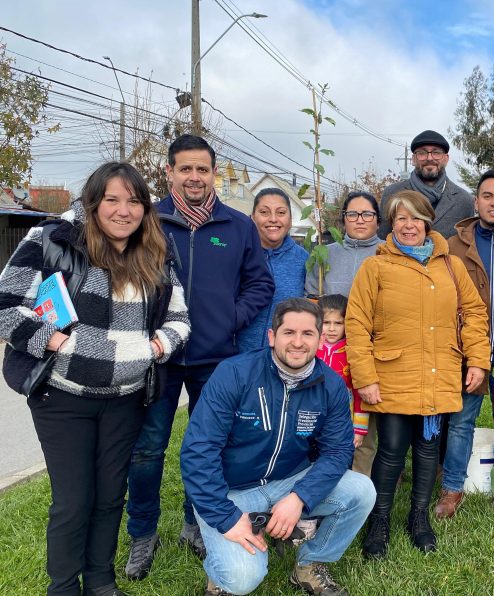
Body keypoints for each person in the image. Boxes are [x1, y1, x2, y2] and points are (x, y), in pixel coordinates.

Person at [0, 162, 191, 596]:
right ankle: (64, 587)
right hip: (63, 397)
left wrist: (156, 348)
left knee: (110, 498)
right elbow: (6, 307)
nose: (124, 211)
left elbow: (179, 319)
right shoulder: (49, 241)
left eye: (135, 201)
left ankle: (101, 583)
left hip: (126, 398)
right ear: (93, 202)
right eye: (112, 199)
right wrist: (58, 345)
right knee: (73, 502)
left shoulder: (155, 253)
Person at [126, 134, 274, 580]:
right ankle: (142, 533)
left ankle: (198, 522)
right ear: (169, 172)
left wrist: (231, 317)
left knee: (208, 447)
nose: (194, 177)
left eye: (202, 169)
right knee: (148, 449)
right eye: (185, 168)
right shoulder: (147, 221)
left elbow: (260, 285)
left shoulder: (237, 226)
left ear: (214, 173)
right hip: (158, 358)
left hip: (216, 360)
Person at [181, 298, 374, 596]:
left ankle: (310, 565)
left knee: (362, 491)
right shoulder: (234, 374)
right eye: (289, 333)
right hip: (230, 492)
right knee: (242, 579)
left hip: (288, 481)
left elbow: (337, 452)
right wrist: (226, 518)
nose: (298, 343)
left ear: (320, 339)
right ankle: (220, 576)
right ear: (272, 337)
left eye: (307, 334)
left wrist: (300, 497)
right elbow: (198, 452)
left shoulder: (331, 385)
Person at [346, 190, 490, 558]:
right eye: (400, 219)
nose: (409, 226)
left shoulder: (450, 266)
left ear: (428, 222)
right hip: (393, 374)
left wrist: (477, 360)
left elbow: (474, 314)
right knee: (392, 450)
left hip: (438, 373)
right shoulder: (376, 267)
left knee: (428, 451)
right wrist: (365, 376)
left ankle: (418, 518)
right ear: (391, 224)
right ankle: (379, 523)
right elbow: (357, 324)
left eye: (415, 218)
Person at [435, 168, 494, 521]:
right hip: (467, 351)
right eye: (487, 196)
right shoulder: (453, 244)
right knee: (461, 422)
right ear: (476, 202)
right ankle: (452, 488)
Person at [306, 191, 384, 476]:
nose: (360, 220)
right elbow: (312, 299)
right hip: (331, 349)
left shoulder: (387, 253)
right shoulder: (326, 254)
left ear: (378, 220)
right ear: (343, 220)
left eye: (367, 214)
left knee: (364, 426)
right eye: (353, 214)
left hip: (372, 349)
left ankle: (365, 481)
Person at [237, 187, 308, 352]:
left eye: (281, 213)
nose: (273, 219)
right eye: (264, 212)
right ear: (252, 218)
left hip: (285, 358)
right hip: (238, 356)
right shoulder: (238, 254)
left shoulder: (304, 260)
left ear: (290, 220)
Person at [379, 130, 474, 240]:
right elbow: (383, 240)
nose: (429, 158)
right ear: (413, 159)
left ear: (446, 159)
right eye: (422, 153)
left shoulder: (464, 200)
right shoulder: (392, 193)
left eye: (436, 153)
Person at [316, 293, 368, 450]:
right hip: (310, 415)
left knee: (338, 455)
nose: (332, 329)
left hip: (342, 419)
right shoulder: (309, 349)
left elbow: (360, 393)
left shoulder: (352, 352)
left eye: (338, 323)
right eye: (326, 322)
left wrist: (359, 429)